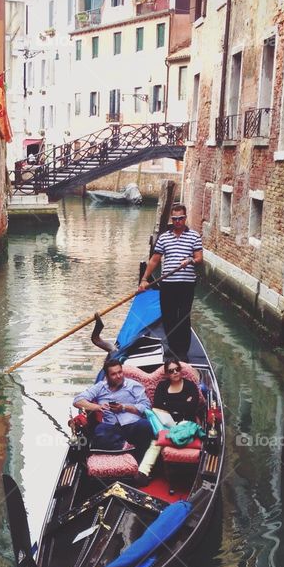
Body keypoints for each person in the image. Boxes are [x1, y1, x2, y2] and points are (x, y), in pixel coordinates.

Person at [138, 203, 203, 360]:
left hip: (186, 284)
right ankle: (173, 347)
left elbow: (199, 258)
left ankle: (182, 351)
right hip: (168, 284)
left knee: (183, 317)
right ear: (172, 219)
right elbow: (154, 260)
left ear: (185, 218)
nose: (178, 221)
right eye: (175, 219)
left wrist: (190, 260)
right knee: (168, 317)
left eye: (181, 218)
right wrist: (144, 279)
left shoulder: (194, 236)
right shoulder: (164, 237)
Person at [73, 358, 154, 460]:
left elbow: (146, 406)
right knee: (99, 433)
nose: (119, 376)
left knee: (145, 426)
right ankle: (125, 446)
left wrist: (124, 407)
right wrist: (98, 407)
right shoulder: (100, 387)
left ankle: (126, 449)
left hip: (133, 425)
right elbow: (77, 401)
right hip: (110, 426)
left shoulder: (133, 385)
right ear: (107, 377)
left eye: (120, 372)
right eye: (114, 374)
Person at [136, 356, 201, 482]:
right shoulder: (162, 386)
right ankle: (142, 473)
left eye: (177, 369)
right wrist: (183, 403)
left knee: (160, 438)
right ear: (167, 374)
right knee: (156, 441)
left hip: (186, 422)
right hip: (166, 422)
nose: (175, 372)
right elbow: (157, 405)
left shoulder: (190, 385)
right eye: (171, 371)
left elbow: (192, 407)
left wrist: (169, 404)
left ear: (180, 370)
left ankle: (145, 471)